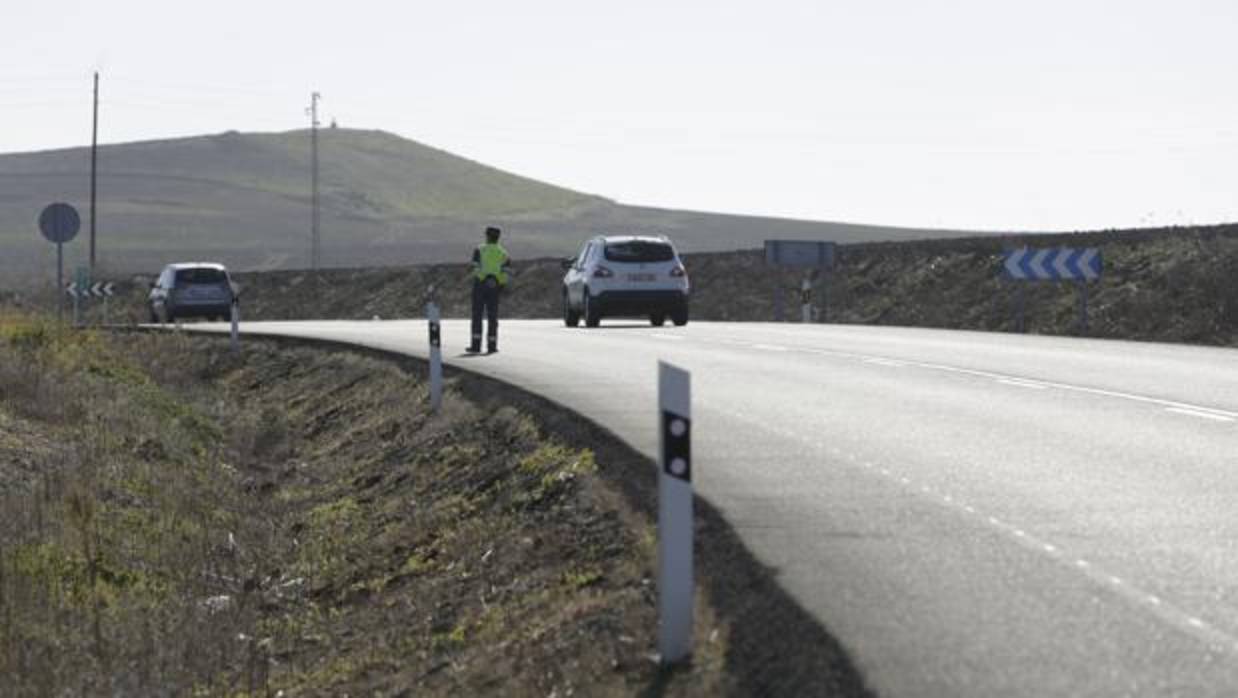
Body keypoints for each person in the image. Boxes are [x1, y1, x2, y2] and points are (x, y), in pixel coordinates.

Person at [468, 225, 511, 353]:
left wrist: (483, 278)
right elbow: (506, 272)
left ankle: (476, 346)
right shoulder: (503, 253)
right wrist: (499, 284)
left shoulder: (479, 249)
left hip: (480, 285)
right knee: (493, 316)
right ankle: (492, 346)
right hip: (495, 287)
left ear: (487, 236)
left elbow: (475, 268)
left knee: (477, 315)